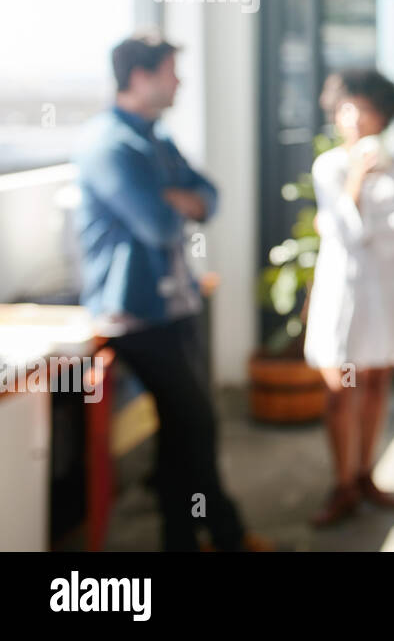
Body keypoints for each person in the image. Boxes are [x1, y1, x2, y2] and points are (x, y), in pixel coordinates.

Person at [76, 30, 268, 551]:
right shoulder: (109, 144)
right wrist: (175, 200)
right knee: (196, 426)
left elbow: (209, 197)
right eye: (170, 72)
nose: (179, 81)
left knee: (183, 436)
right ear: (140, 77)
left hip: (176, 303)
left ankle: (185, 539)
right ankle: (227, 536)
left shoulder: (155, 138)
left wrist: (175, 197)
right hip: (135, 314)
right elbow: (160, 225)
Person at [305, 70, 394, 527]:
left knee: (377, 384)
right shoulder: (330, 166)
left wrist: (360, 228)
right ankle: (342, 484)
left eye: (364, 109)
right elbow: (342, 230)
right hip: (343, 289)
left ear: (383, 114)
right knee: (341, 388)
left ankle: (364, 473)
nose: (353, 120)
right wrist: (356, 179)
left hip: (386, 288)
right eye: (345, 109)